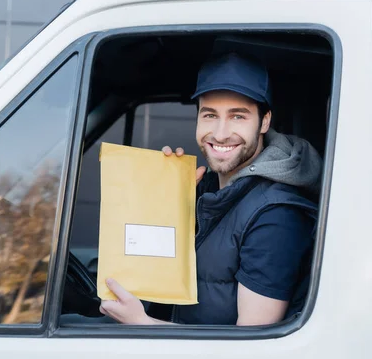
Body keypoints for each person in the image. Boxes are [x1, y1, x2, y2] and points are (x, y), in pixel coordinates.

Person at [100, 52, 322, 326]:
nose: (219, 133)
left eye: (237, 116)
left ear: (264, 122)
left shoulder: (276, 215)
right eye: (209, 115)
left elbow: (253, 344)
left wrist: (142, 324)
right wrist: (166, 203)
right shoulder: (209, 192)